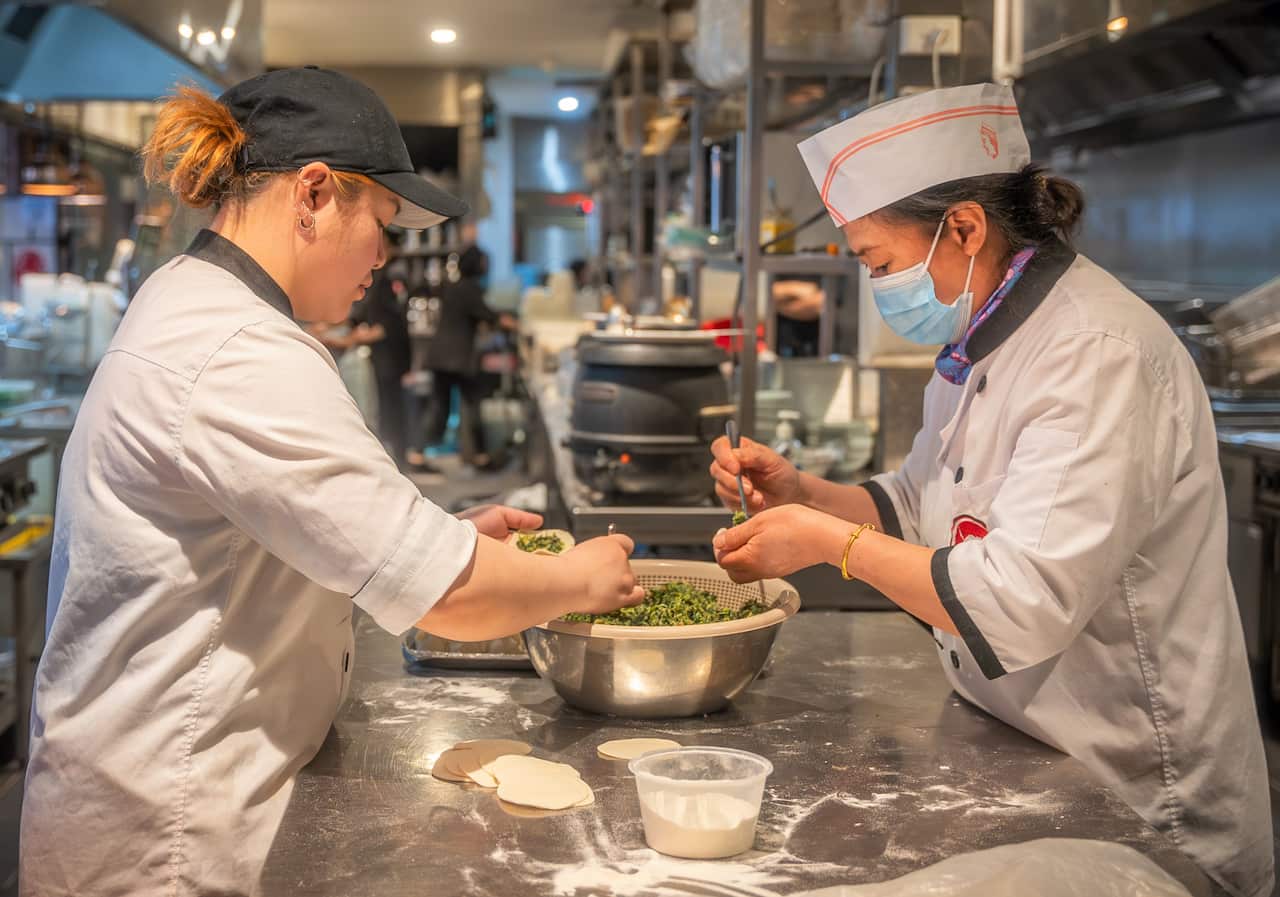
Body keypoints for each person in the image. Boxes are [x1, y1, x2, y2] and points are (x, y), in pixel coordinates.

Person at [20, 68, 643, 897]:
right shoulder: (241, 350)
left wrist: (441, 535)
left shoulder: (192, 298)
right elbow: (452, 603)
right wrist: (580, 578)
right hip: (166, 836)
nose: (383, 260)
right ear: (313, 193)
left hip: (162, 793)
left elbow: (256, 531)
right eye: (381, 223)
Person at [710, 83, 1271, 897]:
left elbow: (1022, 598)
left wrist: (830, 545)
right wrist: (804, 492)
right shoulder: (981, 335)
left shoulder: (1097, 352)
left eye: (880, 262)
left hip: (1140, 800)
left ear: (964, 227)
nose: (881, 286)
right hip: (1030, 748)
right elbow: (920, 500)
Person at [416, 243, 515, 470]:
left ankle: (420, 454)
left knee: (440, 407)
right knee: (470, 405)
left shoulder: (454, 287)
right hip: (457, 359)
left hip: (442, 356)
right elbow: (488, 315)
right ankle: (475, 455)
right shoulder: (470, 288)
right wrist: (511, 323)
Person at [347, 251, 414, 466]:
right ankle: (393, 456)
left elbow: (387, 326)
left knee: (389, 409)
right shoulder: (382, 280)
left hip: (389, 358)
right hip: (384, 357)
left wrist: (348, 340)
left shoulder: (388, 280)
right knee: (387, 408)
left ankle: (395, 457)